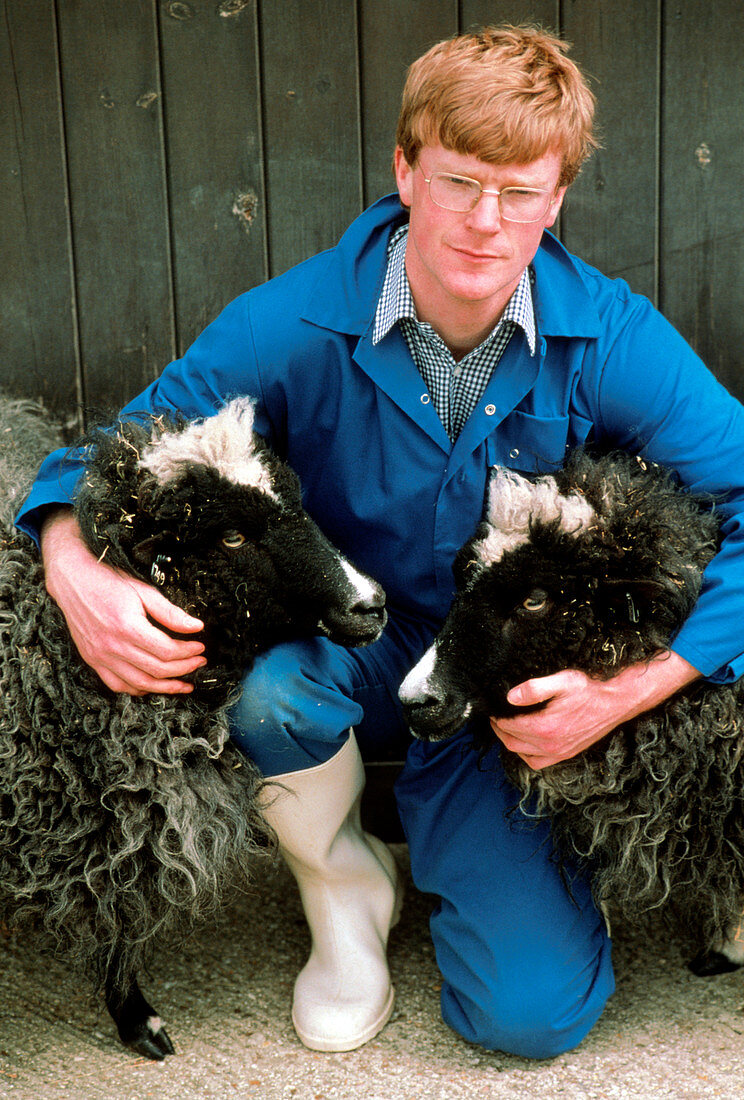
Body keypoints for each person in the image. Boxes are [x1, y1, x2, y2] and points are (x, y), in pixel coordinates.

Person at [17, 25, 744, 1059]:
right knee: (268, 691)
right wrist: (68, 557)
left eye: (521, 193)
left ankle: (516, 849)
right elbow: (118, 447)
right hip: (351, 640)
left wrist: (633, 686)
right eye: (459, 182)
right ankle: (344, 889)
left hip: (503, 681)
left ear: (558, 198)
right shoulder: (291, 321)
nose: (487, 223)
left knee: (529, 1016)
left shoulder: (614, 339)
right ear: (405, 170)